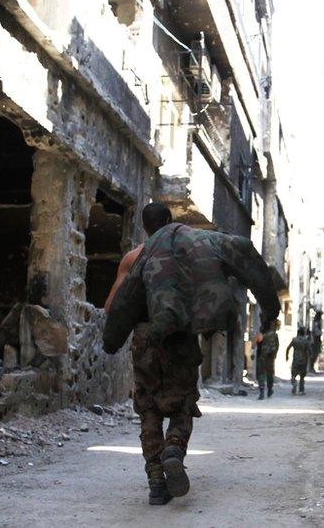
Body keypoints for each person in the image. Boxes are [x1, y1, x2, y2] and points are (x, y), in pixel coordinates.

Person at [103, 203, 281, 505]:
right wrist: (270, 310)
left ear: (145, 228)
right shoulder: (198, 245)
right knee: (182, 405)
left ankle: (156, 482)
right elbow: (243, 253)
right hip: (181, 339)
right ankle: (174, 448)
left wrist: (112, 341)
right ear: (170, 221)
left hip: (145, 340)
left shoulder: (136, 257)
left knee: (149, 409)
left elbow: (113, 307)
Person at [254, 320, 281, 400]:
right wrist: (275, 354)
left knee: (261, 373)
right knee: (270, 374)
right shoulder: (275, 335)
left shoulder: (261, 335)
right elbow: (277, 345)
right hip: (270, 357)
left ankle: (262, 392)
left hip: (262, 356)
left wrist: (252, 353)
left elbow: (254, 343)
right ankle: (269, 390)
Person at [286, 328, 312, 395]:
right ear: (303, 333)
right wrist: (310, 357)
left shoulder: (294, 340)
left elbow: (288, 348)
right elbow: (310, 350)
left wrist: (287, 356)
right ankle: (301, 390)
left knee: (293, 374)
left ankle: (294, 383)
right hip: (303, 360)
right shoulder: (306, 341)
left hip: (296, 359)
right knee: (302, 376)